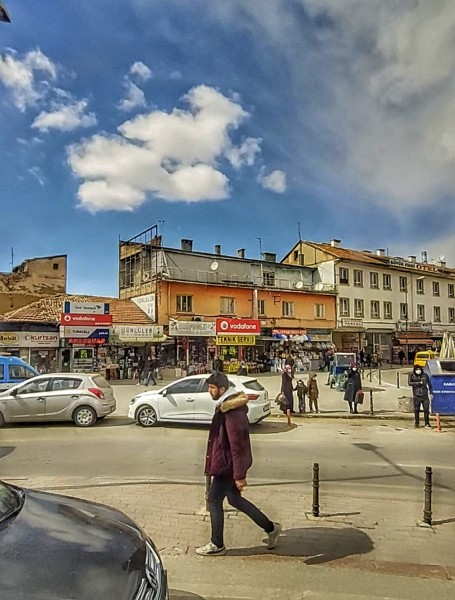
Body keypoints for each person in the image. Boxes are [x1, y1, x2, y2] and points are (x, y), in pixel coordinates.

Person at [196, 371, 281, 556]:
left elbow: (238, 444)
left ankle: (216, 544)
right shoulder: (224, 407)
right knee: (234, 500)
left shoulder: (232, 412)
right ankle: (271, 527)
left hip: (227, 466)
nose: (209, 391)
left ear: (222, 389)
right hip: (226, 464)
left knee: (214, 500)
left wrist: (239, 475)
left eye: (212, 388)